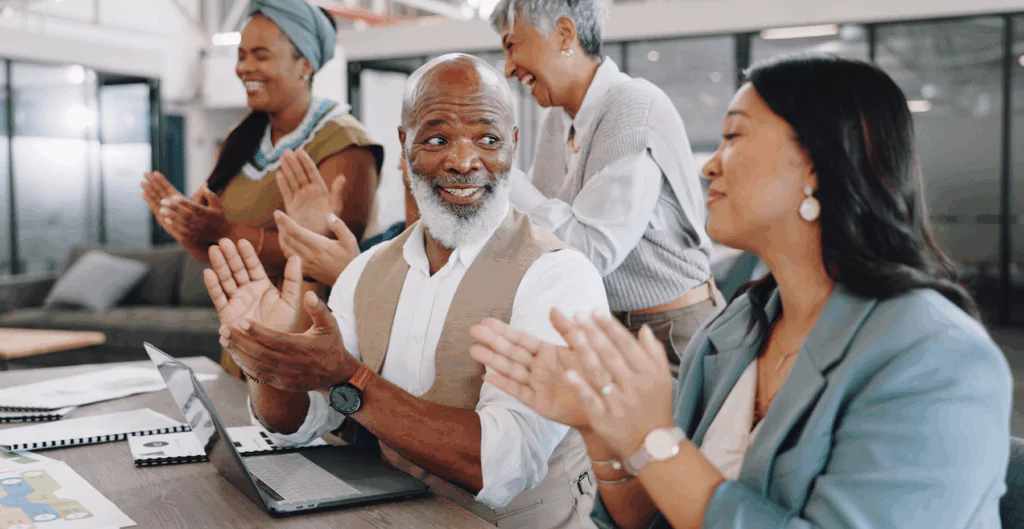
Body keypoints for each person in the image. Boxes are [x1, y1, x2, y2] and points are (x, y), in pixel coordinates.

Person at [468, 54, 1012, 528]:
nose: (709, 165)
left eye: (733, 136)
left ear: (818, 166)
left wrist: (652, 440)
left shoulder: (938, 360)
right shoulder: (737, 329)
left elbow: (672, 467)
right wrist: (604, 432)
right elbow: (655, 514)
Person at [207, 54, 608, 529]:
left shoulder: (558, 276)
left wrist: (349, 379)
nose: (464, 161)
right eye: (437, 139)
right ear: (404, 144)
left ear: (513, 146)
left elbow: (502, 465)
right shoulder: (367, 270)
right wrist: (271, 361)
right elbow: (297, 424)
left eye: (488, 140)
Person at [140, 0, 383, 376]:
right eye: (240, 55)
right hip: (243, 334)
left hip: (306, 347)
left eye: (260, 56)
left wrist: (223, 230)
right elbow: (220, 254)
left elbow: (328, 261)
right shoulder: (241, 139)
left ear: (304, 65)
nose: (244, 68)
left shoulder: (346, 145)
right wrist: (189, 229)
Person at [488, 0, 721, 376]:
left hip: (671, 333)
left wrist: (500, 173)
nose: (509, 67)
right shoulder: (557, 121)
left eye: (513, 45)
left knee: (665, 439)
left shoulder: (634, 109)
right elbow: (539, 234)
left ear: (565, 35)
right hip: (606, 330)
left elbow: (590, 251)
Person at [272, 150, 420, 287]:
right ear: (404, 155)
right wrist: (314, 246)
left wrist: (350, 278)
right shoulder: (369, 252)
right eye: (436, 141)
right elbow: (308, 313)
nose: (444, 161)